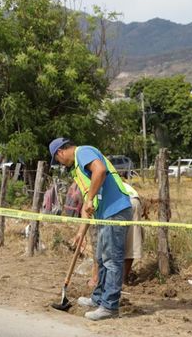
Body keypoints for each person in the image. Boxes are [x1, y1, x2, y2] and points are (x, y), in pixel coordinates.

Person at [49, 137, 132, 321]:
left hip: (115, 210)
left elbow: (100, 171)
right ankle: (98, 299)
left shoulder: (83, 152)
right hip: (104, 214)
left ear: (60, 152)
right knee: (101, 259)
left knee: (112, 260)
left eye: (57, 160)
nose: (60, 164)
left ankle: (110, 307)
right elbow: (89, 201)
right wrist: (80, 231)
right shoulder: (78, 170)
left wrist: (89, 198)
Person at [122, 182, 143, 285]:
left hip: (123, 201)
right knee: (132, 240)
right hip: (134, 200)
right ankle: (123, 278)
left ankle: (120, 279)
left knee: (113, 242)